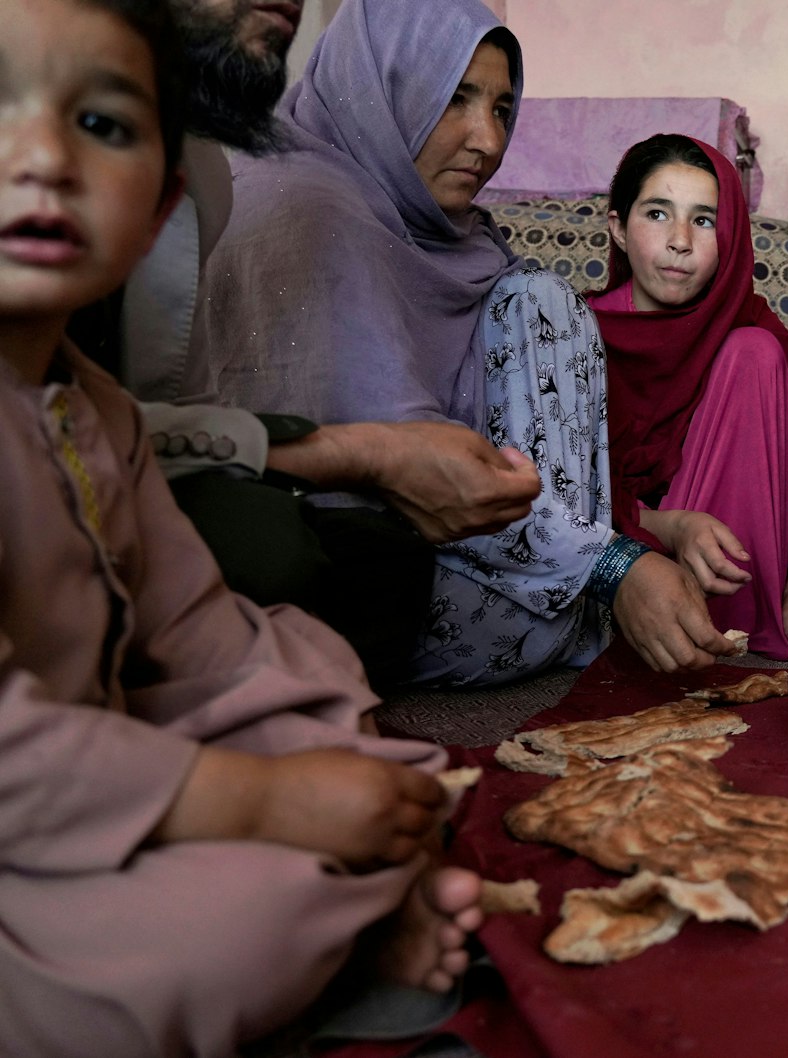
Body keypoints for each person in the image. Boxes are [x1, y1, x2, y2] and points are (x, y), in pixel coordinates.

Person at [0, 0, 484, 1053]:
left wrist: (319, 753)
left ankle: (333, 901)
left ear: (163, 200)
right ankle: (334, 928)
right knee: (235, 922)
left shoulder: (97, 411)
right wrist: (249, 796)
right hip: (26, 797)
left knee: (307, 654)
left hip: (99, 767)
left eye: (104, 127)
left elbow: (198, 633)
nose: (39, 157)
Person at [192, 0, 644, 687]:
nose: (487, 140)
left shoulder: (455, 239)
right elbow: (396, 465)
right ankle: (578, 598)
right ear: (377, 91)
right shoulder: (308, 207)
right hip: (323, 575)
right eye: (454, 98)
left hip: (460, 557)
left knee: (538, 296)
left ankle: (577, 591)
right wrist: (611, 568)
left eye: (500, 108)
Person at [587, 134, 788, 667]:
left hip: (734, 578)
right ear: (617, 227)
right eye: (657, 214)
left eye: (703, 221)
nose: (680, 240)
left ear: (728, 238)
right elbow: (562, 496)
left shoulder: (749, 324)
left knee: (754, 352)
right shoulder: (572, 331)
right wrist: (669, 526)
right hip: (614, 567)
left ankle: (741, 624)